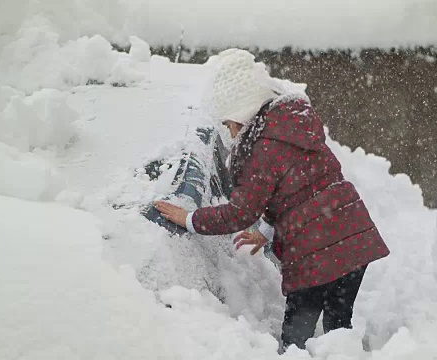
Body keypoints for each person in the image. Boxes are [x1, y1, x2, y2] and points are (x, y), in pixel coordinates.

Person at [154, 48, 390, 351]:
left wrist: (188, 218)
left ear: (241, 114)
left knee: (296, 338)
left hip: (316, 252)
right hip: (353, 235)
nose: (229, 131)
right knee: (338, 327)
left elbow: (240, 213)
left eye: (228, 123)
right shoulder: (293, 126)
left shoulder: (263, 148)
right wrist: (267, 231)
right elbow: (304, 189)